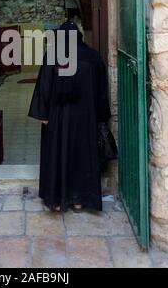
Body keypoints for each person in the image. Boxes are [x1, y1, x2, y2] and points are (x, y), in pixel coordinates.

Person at [28, 20, 111, 212]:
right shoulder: (93, 57)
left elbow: (44, 86)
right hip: (86, 118)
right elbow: (101, 91)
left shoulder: (54, 56)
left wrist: (43, 115)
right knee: (82, 157)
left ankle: (56, 199)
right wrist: (100, 116)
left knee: (57, 154)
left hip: (58, 118)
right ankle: (79, 200)